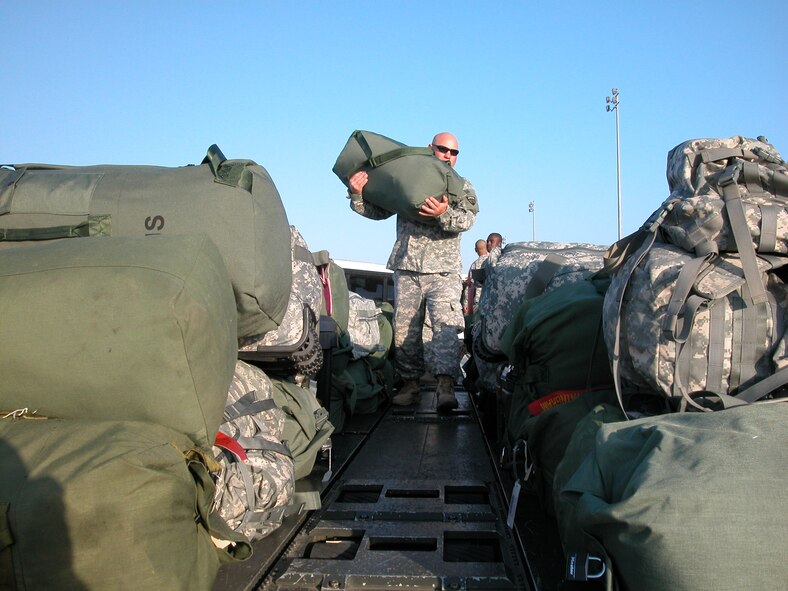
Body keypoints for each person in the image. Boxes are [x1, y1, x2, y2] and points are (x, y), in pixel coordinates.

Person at [347, 132, 477, 411]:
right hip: (407, 266)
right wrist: (357, 195)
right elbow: (380, 210)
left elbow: (467, 220)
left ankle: (445, 387)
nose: (448, 156)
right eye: (443, 149)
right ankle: (410, 386)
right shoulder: (408, 179)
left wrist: (443, 213)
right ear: (430, 148)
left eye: (454, 152)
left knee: (444, 327)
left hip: (443, 271)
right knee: (405, 329)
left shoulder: (460, 185)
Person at [463, 238, 488, 314]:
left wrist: (466, 304)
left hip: (478, 301)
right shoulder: (493, 262)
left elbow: (470, 285)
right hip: (491, 300)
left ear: (475, 250)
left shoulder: (475, 265)